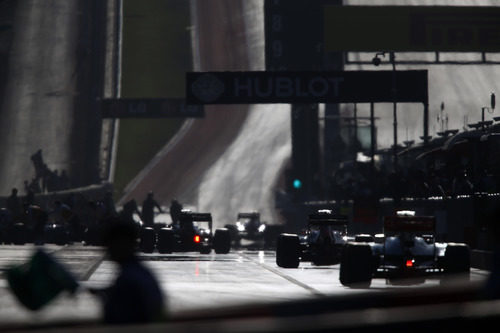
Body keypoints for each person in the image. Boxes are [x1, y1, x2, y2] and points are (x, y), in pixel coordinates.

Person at [91, 218, 165, 324]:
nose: (107, 250)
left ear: (122, 244)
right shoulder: (142, 272)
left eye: (110, 244)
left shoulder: (128, 278)